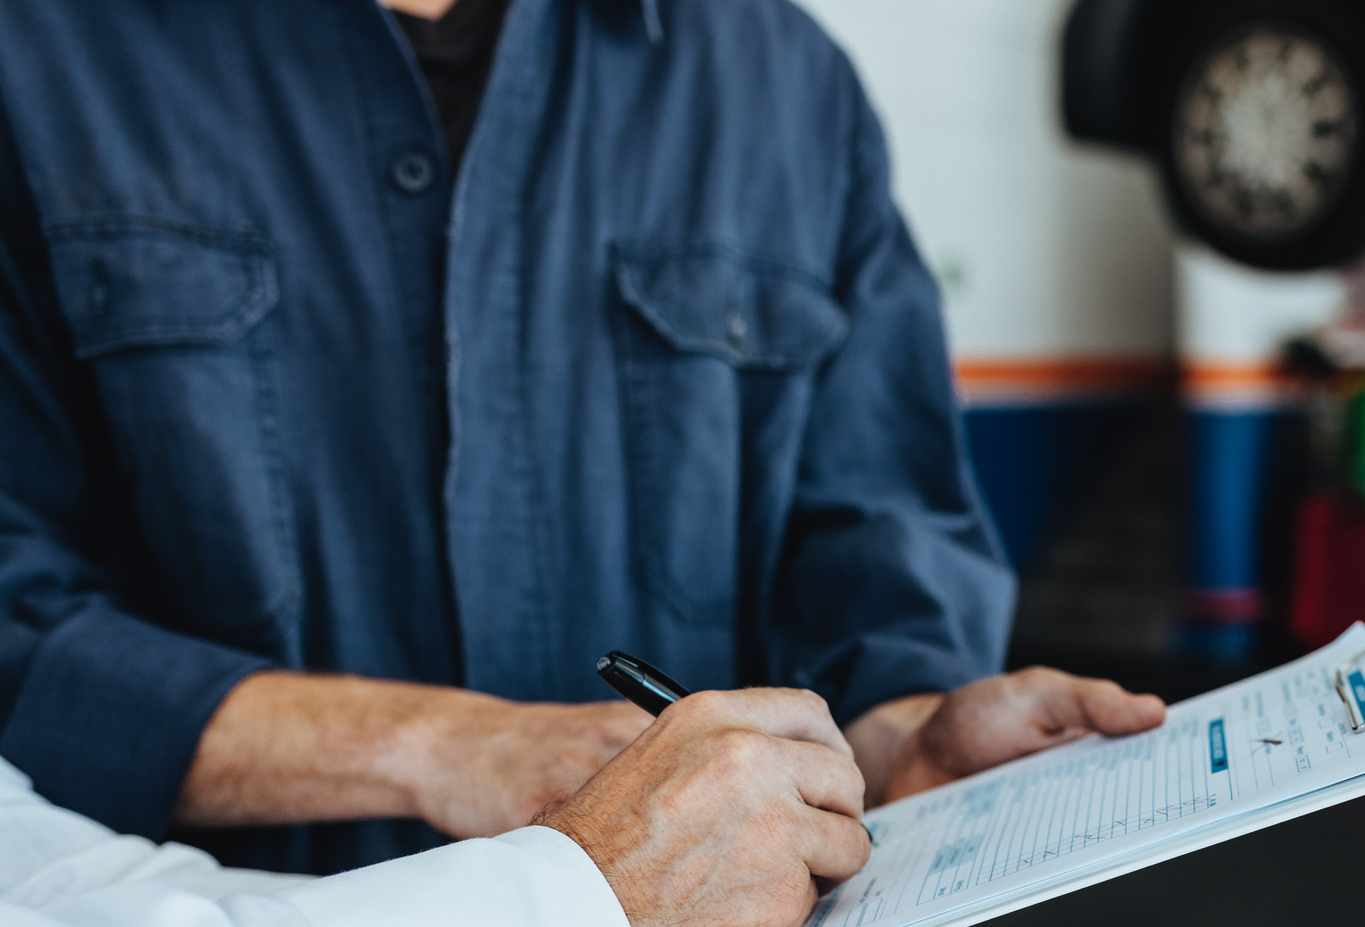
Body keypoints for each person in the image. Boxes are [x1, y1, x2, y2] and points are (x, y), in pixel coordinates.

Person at [0, 0, 1151, 888]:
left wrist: (903, 743)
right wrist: (442, 746)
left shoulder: (780, 86)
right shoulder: (41, 60)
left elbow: (871, 540)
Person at [3, 682, 1165, 927]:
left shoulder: (785, 90)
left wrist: (875, 744)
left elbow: (95, 892)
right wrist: (585, 880)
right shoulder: (47, 64)